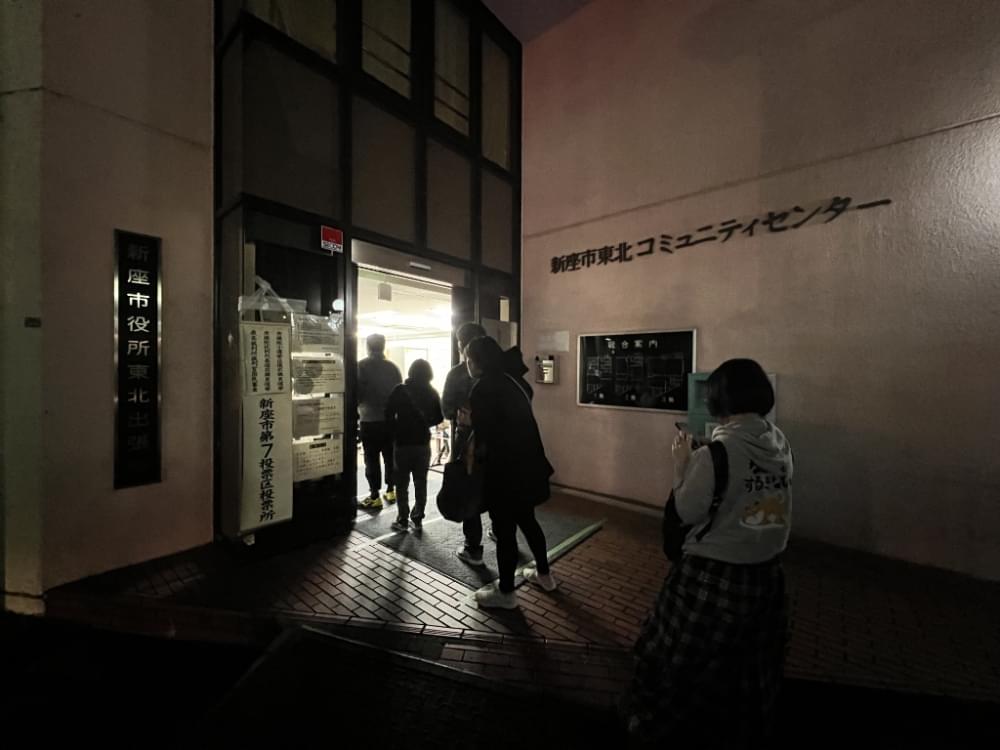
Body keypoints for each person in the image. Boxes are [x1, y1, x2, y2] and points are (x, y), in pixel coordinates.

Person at [622, 359, 792, 748]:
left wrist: (682, 466)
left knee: (683, 661)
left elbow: (686, 510)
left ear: (719, 399)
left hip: (713, 576)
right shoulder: (779, 443)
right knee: (747, 669)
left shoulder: (715, 453)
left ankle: (662, 728)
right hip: (766, 575)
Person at [464, 335, 556, 610]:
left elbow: (486, 437)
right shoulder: (515, 382)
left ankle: (506, 593)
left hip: (504, 473)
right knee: (529, 521)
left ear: (478, 361)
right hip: (529, 467)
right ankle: (545, 576)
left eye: (469, 359)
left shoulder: (483, 389)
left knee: (505, 532)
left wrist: (468, 423)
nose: (467, 364)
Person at [441, 322, 489, 565]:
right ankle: (501, 531)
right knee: (494, 484)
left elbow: (446, 409)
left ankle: (473, 547)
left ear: (462, 345)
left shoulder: (457, 373)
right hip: (496, 437)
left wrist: (461, 414)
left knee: (469, 488)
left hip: (466, 438)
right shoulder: (499, 373)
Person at [384, 359, 443, 533]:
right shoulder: (432, 392)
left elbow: (387, 413)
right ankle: (417, 518)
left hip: (402, 443)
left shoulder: (400, 390)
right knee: (420, 482)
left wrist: (396, 429)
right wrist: (425, 423)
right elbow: (439, 417)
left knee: (401, 484)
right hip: (422, 443)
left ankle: (402, 519)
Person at [357, 333, 402, 509]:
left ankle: (374, 496)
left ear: (368, 347)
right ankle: (391, 490)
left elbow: (357, 394)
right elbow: (399, 393)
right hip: (390, 421)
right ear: (383, 346)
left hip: (369, 420)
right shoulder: (393, 367)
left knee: (371, 458)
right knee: (390, 457)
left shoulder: (361, 366)